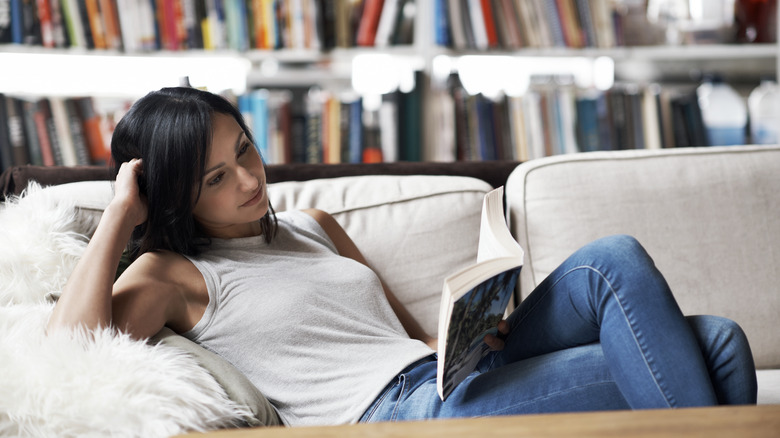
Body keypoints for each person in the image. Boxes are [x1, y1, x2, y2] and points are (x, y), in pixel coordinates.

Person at [47, 87, 758, 426]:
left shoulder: (314, 225)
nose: (251, 180)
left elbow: (407, 335)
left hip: (448, 376)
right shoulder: (171, 276)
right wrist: (119, 211)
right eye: (215, 178)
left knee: (614, 261)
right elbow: (68, 355)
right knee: (718, 350)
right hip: (404, 415)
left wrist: (473, 332)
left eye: (245, 151)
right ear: (172, 197)